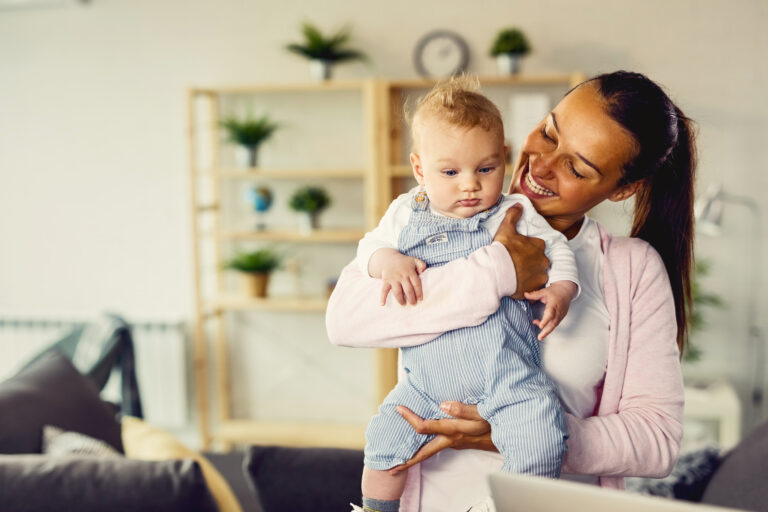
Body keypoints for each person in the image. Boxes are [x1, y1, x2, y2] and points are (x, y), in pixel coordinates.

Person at [326, 70, 694, 512]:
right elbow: (344, 322)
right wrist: (500, 268)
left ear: (623, 190)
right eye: (548, 132)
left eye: (576, 168)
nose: (541, 165)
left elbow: (656, 439)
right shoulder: (421, 220)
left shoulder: (630, 269)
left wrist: (517, 432)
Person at [350, 77, 579, 512]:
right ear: (420, 169)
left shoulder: (516, 211)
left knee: (542, 437)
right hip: (424, 384)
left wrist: (563, 289)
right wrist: (387, 261)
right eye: (450, 173)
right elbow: (368, 249)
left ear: (503, 158)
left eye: (485, 169)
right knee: (383, 445)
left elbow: (557, 249)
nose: (470, 185)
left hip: (507, 377)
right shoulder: (405, 213)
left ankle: (508, 506)